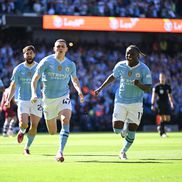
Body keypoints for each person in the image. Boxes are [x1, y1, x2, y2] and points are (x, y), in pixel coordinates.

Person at [94, 45, 152, 160]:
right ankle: (124, 125)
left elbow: (148, 87)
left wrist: (139, 85)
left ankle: (123, 151)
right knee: (117, 130)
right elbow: (113, 76)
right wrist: (100, 88)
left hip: (136, 103)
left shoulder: (144, 69)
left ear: (138, 55)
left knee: (132, 130)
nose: (129, 55)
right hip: (121, 100)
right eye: (127, 53)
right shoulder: (120, 65)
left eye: (131, 54)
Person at [31, 39, 84, 162]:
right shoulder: (46, 61)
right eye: (58, 46)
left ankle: (60, 152)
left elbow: (74, 79)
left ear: (66, 49)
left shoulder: (70, 64)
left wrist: (79, 91)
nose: (60, 48)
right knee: (52, 132)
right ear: (54, 48)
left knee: (65, 119)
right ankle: (54, 116)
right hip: (48, 99)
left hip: (63, 96)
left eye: (62, 46)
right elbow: (35, 79)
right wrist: (34, 93)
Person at [5, 45, 42, 155]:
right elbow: (13, 85)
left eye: (31, 53)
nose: (29, 55)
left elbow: (45, 83)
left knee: (34, 126)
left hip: (37, 100)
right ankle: (21, 131)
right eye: (27, 53)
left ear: (34, 54)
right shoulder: (18, 69)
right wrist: (8, 100)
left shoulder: (39, 67)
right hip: (22, 100)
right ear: (24, 55)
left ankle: (26, 147)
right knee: (23, 124)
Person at [151, 73, 174, 137]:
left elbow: (170, 96)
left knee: (168, 118)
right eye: (161, 77)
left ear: (165, 78)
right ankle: (162, 132)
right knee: (162, 117)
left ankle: (160, 127)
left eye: (163, 77)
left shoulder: (168, 87)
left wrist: (172, 103)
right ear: (159, 78)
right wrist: (152, 104)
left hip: (166, 104)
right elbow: (154, 96)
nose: (162, 79)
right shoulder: (157, 87)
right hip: (160, 104)